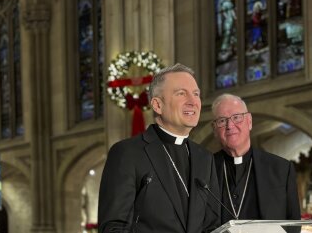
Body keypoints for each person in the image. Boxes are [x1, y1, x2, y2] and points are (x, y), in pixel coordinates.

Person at [98, 63, 221, 233]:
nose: (193, 102)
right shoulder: (128, 153)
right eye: (181, 94)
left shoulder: (205, 158)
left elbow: (212, 226)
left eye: (196, 94)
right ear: (157, 105)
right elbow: (113, 228)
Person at [211, 93, 300, 225]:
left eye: (237, 117)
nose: (230, 126)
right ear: (214, 129)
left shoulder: (281, 169)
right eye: (222, 121)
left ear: (249, 122)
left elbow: (293, 225)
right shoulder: (203, 169)